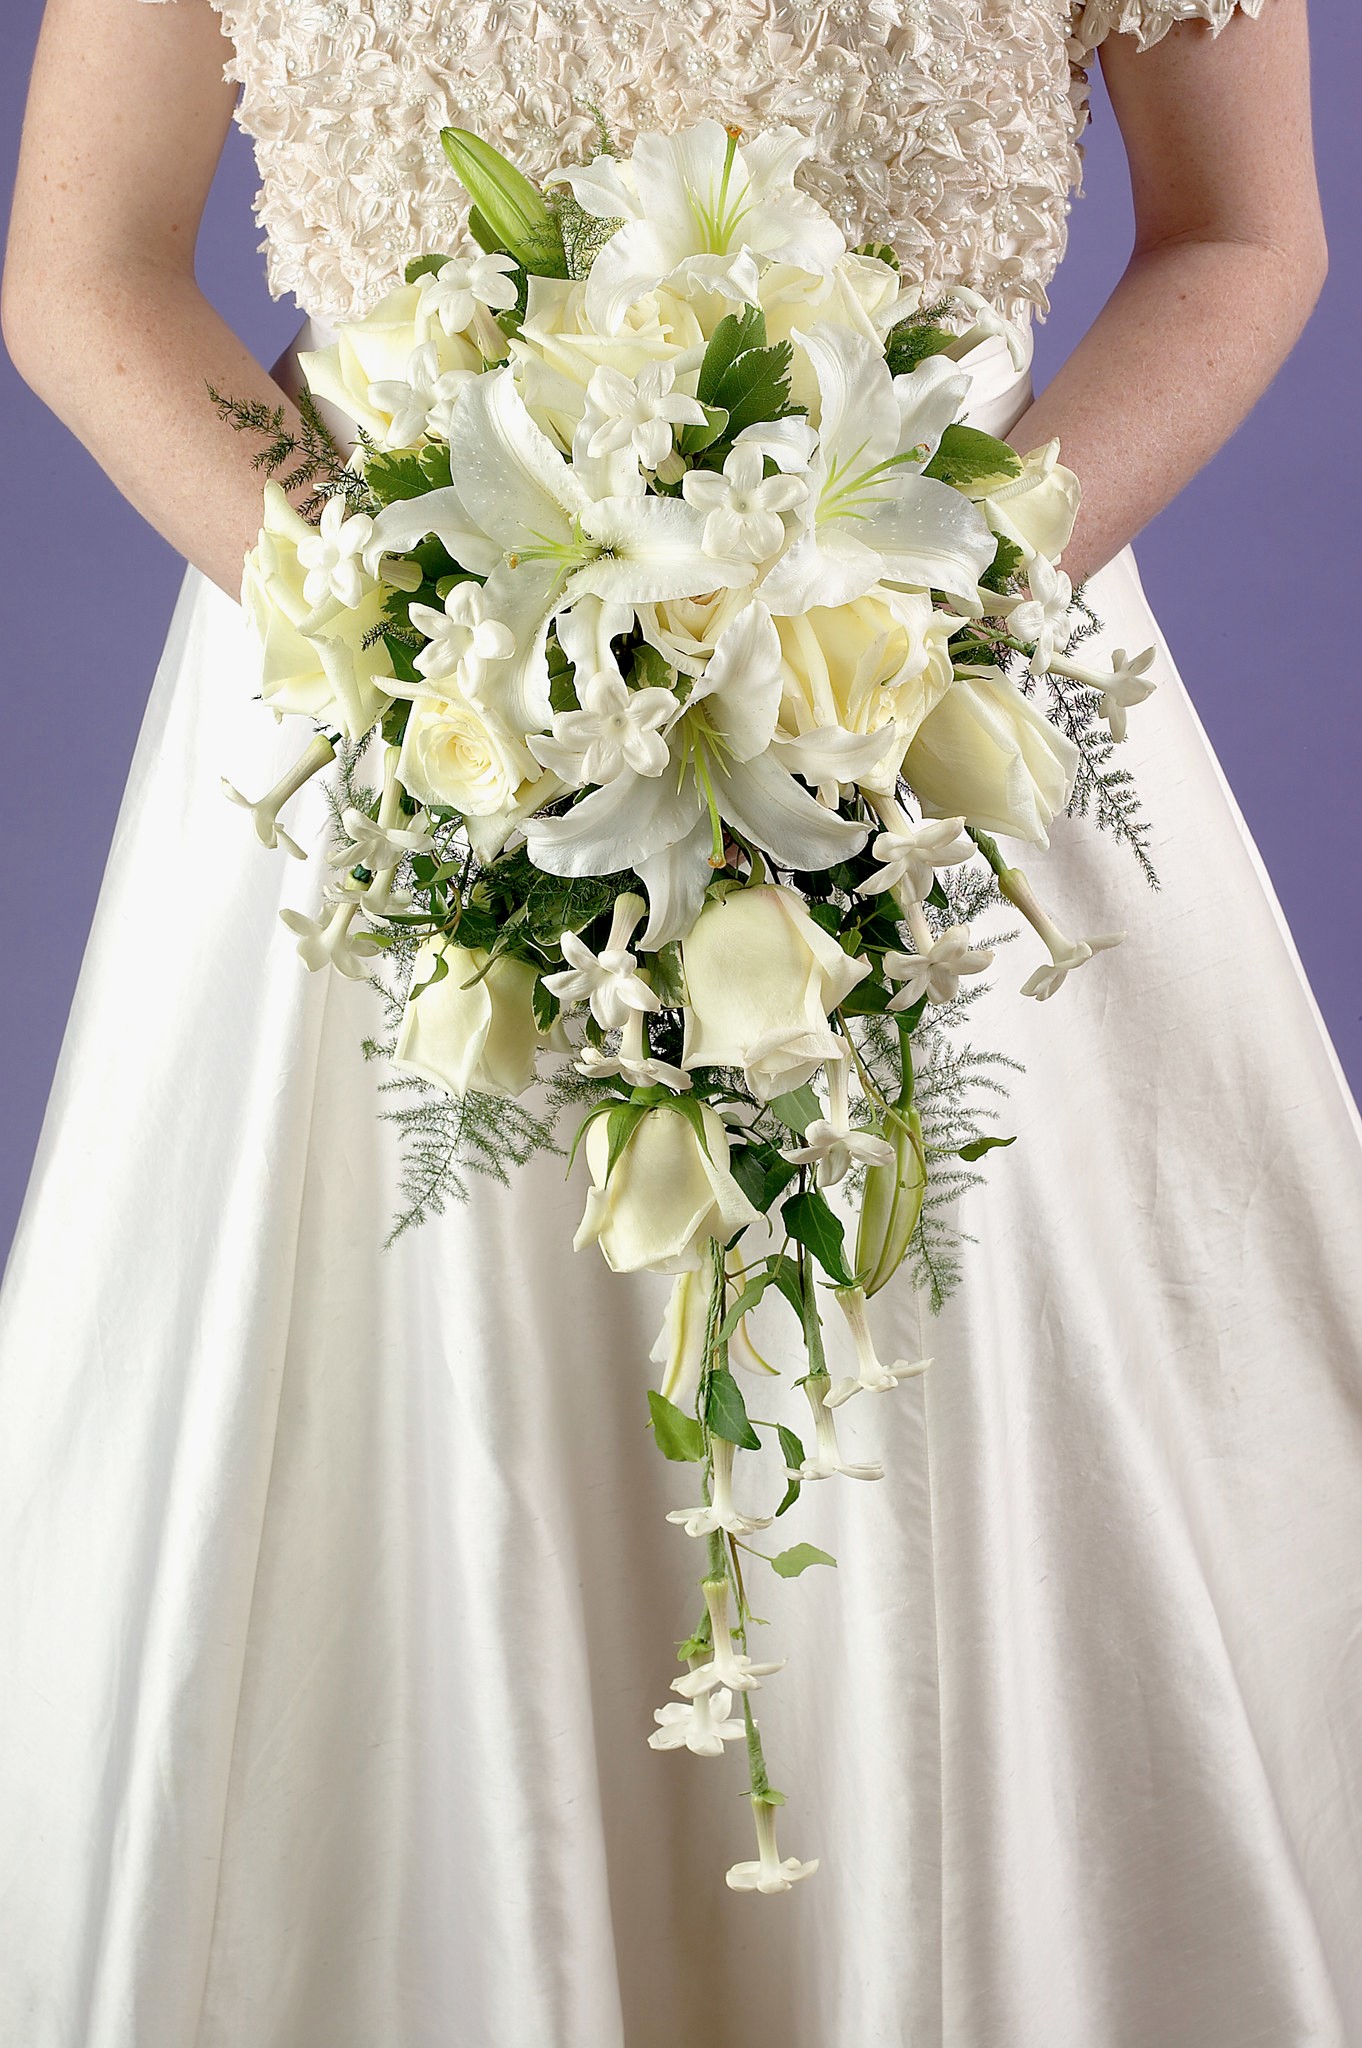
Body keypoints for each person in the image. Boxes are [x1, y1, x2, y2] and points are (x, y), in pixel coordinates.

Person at [2, 2, 1359, 2043]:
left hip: (919, 724)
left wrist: (927, 613)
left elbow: (1243, 231)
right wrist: (422, 646)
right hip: (402, 754)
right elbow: (84, 262)